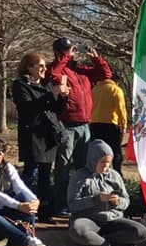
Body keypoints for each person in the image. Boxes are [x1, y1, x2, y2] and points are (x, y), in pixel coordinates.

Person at [48, 39, 113, 221]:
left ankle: (81, 203)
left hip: (85, 125)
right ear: (60, 52)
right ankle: (60, 204)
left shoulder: (81, 71)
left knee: (83, 167)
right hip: (67, 124)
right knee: (63, 167)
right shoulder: (59, 69)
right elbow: (53, 73)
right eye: (68, 50)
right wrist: (66, 57)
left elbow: (105, 74)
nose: (73, 53)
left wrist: (96, 58)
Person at [10, 52, 67, 220]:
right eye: (40, 66)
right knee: (31, 173)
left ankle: (45, 213)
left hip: (48, 136)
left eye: (45, 65)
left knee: (45, 176)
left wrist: (62, 97)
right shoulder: (20, 85)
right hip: (33, 136)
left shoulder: (45, 85)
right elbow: (28, 107)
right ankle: (23, 209)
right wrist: (51, 94)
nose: (44, 69)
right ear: (29, 67)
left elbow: (56, 109)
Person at [67, 140, 146, 246]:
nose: (106, 166)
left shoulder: (114, 175)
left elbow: (126, 201)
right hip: (89, 219)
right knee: (77, 230)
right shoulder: (79, 176)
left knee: (142, 232)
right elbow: (72, 204)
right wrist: (96, 199)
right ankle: (107, 244)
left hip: (113, 219)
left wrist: (117, 201)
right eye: (102, 162)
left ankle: (100, 240)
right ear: (93, 160)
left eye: (108, 162)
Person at [0, 135, 47, 246]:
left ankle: (19, 243)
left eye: (3, 151)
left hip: (8, 207)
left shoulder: (8, 167)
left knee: (26, 197)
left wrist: (34, 200)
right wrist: (18, 206)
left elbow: (20, 187)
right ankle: (26, 240)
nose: (1, 155)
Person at [89, 78, 127, 171]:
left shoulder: (94, 90)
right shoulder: (116, 90)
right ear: (116, 81)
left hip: (94, 125)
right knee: (115, 152)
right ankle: (117, 174)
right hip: (110, 125)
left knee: (96, 151)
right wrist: (124, 125)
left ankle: (95, 172)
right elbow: (121, 110)